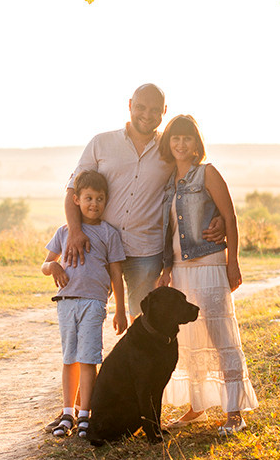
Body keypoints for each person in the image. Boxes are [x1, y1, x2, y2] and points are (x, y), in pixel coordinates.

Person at [65, 84, 223, 317]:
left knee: (142, 320)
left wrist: (219, 217)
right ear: (130, 105)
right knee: (88, 311)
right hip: (99, 245)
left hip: (147, 251)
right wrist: (75, 231)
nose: (147, 115)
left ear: (164, 111)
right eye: (140, 107)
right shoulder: (101, 143)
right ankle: (88, 355)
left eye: (154, 109)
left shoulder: (170, 148)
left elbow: (196, 181)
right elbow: (72, 191)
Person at [155, 114, 258, 436]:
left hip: (211, 265)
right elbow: (169, 229)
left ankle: (234, 412)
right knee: (189, 340)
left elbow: (230, 217)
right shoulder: (167, 182)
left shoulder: (207, 173)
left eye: (187, 138)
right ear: (168, 143)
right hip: (181, 270)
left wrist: (233, 262)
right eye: (175, 138)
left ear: (196, 143)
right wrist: (166, 270)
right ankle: (196, 408)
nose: (181, 144)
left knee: (221, 338)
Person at [42, 170, 128, 439]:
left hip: (94, 302)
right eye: (89, 198)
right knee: (70, 359)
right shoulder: (64, 231)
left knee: (89, 358)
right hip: (66, 302)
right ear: (76, 199)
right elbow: (45, 264)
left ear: (106, 202)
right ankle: (67, 412)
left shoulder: (108, 233)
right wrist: (54, 265)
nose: (94, 204)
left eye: (100, 199)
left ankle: (84, 415)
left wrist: (121, 310)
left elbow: (116, 274)